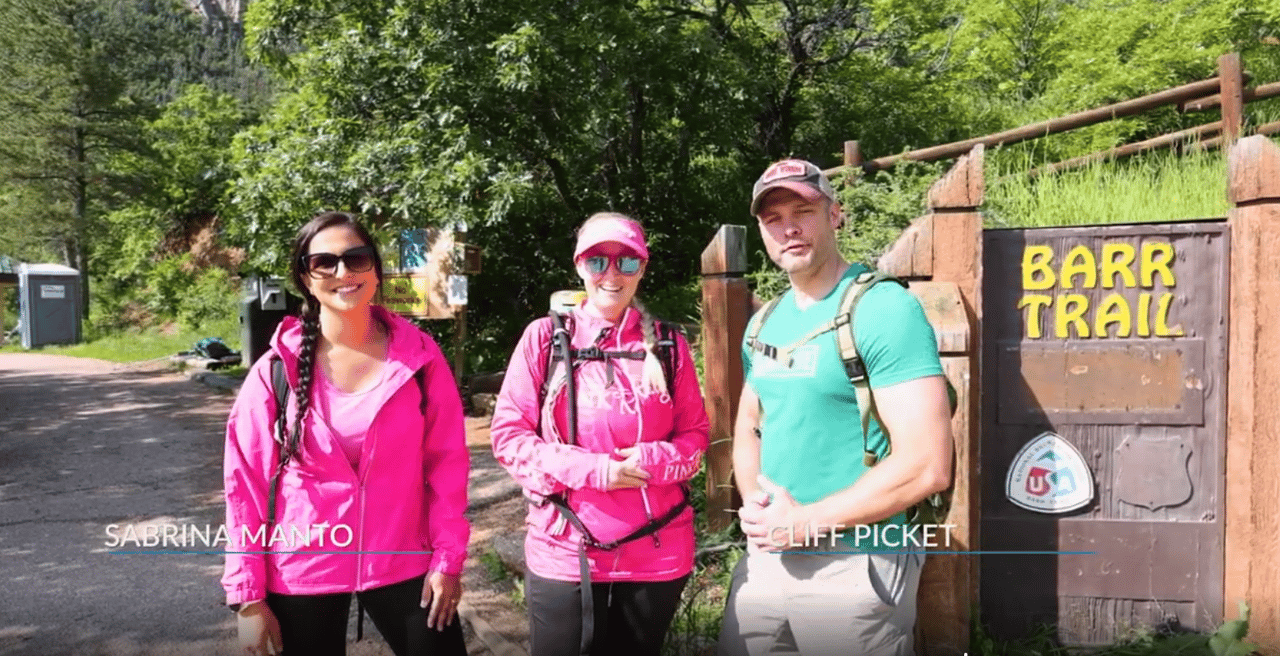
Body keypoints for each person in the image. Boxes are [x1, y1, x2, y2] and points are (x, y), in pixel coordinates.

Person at [717, 160, 954, 656]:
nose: (789, 227)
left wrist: (805, 522)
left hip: (856, 564)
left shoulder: (884, 310)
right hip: (768, 562)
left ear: (835, 215)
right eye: (773, 218)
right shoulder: (766, 323)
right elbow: (748, 429)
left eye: (803, 210)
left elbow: (928, 466)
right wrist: (760, 512)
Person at [221, 211, 470, 656]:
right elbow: (246, 489)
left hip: (405, 558)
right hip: (302, 567)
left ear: (375, 268)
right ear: (305, 276)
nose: (343, 273)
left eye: (356, 259)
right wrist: (248, 599)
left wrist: (448, 559)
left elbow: (447, 467)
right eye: (325, 262)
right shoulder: (275, 371)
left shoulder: (419, 358)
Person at [490, 212, 711, 656]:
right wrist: (595, 470)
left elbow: (696, 438)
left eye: (627, 262)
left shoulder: (668, 345)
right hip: (565, 549)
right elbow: (509, 437)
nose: (612, 273)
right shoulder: (545, 339)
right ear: (579, 266)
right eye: (598, 261)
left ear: (643, 268)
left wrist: (648, 462)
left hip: (657, 551)